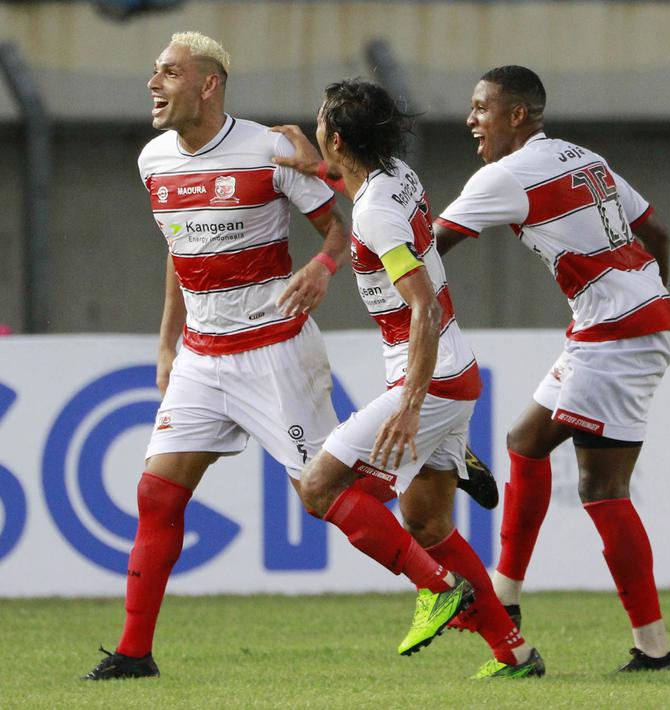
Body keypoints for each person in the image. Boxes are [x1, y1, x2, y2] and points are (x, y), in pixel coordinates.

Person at [83, 32, 349, 680]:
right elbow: (182, 252)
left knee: (322, 494)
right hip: (203, 355)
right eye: (154, 71)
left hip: (274, 347)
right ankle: (133, 653)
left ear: (208, 84)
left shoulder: (268, 149)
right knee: (157, 493)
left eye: (168, 72)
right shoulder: (153, 160)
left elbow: (340, 227)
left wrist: (321, 265)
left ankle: (443, 551)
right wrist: (167, 341)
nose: (153, 83)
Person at [273, 79, 544, 678]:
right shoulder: (395, 174)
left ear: (338, 138)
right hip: (453, 371)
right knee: (427, 524)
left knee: (319, 488)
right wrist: (314, 165)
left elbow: (422, 306)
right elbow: (351, 178)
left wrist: (411, 405)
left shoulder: (374, 214)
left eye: (321, 124)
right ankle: (515, 653)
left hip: (431, 381)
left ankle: (436, 588)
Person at [432, 65, 670, 672]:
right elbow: (656, 232)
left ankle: (515, 602)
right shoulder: (583, 157)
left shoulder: (506, 174)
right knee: (558, 461)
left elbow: (429, 245)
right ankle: (643, 645)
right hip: (632, 320)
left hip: (616, 331)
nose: (471, 120)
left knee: (570, 468)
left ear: (517, 114)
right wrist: (651, 298)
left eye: (481, 108)